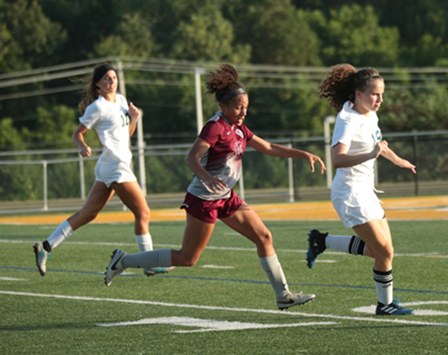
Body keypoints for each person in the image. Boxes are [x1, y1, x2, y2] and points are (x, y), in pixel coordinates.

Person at [104, 63, 326, 310]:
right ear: (223, 106)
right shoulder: (216, 127)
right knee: (187, 258)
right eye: (238, 107)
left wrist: (303, 154)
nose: (243, 112)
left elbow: (269, 148)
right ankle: (123, 261)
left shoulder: (238, 127)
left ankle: (283, 295)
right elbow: (191, 158)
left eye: (246, 107)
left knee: (264, 237)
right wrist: (207, 178)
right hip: (204, 200)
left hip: (226, 197)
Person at [32, 63, 172, 277]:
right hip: (116, 167)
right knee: (143, 212)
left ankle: (46, 246)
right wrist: (83, 146)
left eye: (113, 78)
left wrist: (134, 118)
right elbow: (77, 134)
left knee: (87, 214)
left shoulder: (122, 101)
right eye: (106, 78)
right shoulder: (97, 107)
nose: (111, 81)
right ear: (97, 84)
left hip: (112, 165)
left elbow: (127, 135)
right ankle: (149, 262)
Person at [306, 64, 417, 316]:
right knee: (384, 251)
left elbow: (379, 146)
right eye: (374, 94)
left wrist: (399, 160)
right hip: (350, 193)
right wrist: (371, 153)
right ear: (358, 93)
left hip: (366, 191)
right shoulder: (347, 120)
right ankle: (384, 305)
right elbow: (338, 159)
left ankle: (321, 240)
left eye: (382, 94)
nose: (380, 100)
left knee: (381, 251)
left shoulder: (369, 114)